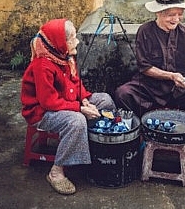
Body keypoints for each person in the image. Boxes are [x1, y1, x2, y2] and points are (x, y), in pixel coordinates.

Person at [20, 19, 116, 195]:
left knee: (105, 100)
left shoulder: (64, 57)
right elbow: (48, 102)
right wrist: (79, 109)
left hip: (64, 102)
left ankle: (91, 148)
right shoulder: (43, 65)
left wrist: (85, 100)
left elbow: (75, 83)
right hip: (42, 112)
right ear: (59, 42)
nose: (76, 41)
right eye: (71, 38)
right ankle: (56, 171)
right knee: (76, 121)